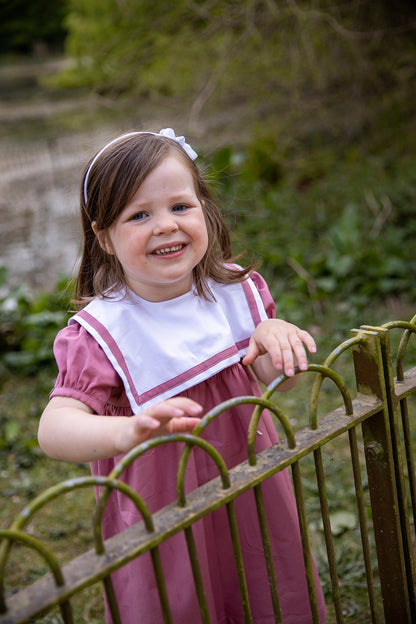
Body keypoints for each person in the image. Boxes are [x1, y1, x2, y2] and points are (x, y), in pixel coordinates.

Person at [38, 128, 326, 623]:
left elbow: (275, 377)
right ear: (104, 238)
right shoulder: (103, 332)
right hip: (162, 508)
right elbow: (53, 429)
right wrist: (125, 431)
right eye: (139, 215)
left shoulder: (234, 292)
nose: (166, 225)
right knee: (181, 601)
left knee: (263, 585)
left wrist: (273, 339)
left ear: (205, 211)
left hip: (250, 486)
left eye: (180, 206)